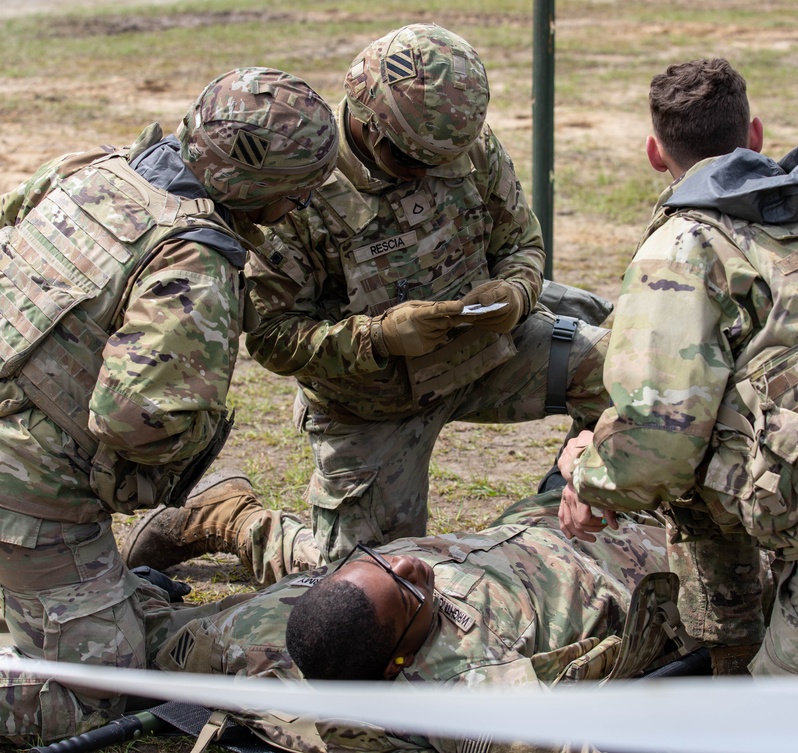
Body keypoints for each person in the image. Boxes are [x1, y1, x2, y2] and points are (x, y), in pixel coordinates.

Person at [123, 22, 611, 580]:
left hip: (488, 353)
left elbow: (519, 240)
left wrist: (517, 292)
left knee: (627, 372)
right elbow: (271, 336)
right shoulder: (294, 183)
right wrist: (378, 337)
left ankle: (582, 506)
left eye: (441, 160)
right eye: (414, 162)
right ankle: (230, 517)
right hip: (373, 402)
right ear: (368, 122)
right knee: (375, 581)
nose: (431, 174)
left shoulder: (454, 141)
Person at [556, 58, 798, 676]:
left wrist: (586, 472)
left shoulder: (685, 248)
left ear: (655, 154)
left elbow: (660, 443)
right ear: (756, 137)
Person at [0, 67, 338, 743]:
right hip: (32, 500)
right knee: (101, 690)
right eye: (297, 190)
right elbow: (139, 421)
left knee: (111, 615)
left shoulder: (94, 172)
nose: (301, 205)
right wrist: (195, 431)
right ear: (263, 189)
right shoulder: (195, 261)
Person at [149, 490, 693, 753]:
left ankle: (234, 517)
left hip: (528, 524)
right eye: (410, 591)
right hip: (618, 556)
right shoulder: (459, 698)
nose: (409, 566)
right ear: (398, 664)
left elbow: (161, 642)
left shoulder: (250, 632)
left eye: (381, 562)